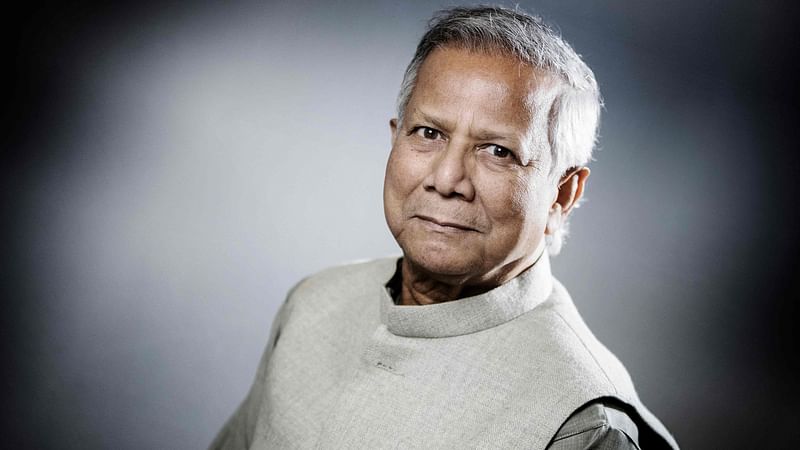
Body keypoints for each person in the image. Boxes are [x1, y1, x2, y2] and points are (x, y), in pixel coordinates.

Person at [212, 6, 679, 449]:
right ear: (395, 138)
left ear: (562, 195)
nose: (446, 179)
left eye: (497, 151)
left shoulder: (581, 421)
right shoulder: (313, 304)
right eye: (429, 133)